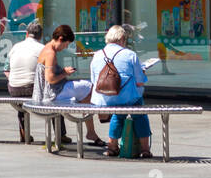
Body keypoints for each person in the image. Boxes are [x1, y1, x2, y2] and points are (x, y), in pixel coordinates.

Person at [35, 24, 104, 147]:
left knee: (85, 92)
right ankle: (101, 119)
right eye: (66, 44)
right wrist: (65, 73)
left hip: (48, 91)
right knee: (89, 86)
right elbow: (50, 78)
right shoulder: (50, 53)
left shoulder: (46, 48)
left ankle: (91, 131)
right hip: (52, 93)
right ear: (60, 39)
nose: (65, 47)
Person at [90, 24, 152, 158]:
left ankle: (112, 146)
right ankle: (145, 149)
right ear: (122, 38)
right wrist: (143, 72)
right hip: (125, 99)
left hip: (103, 99)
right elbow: (140, 81)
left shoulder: (97, 55)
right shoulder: (130, 55)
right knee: (139, 110)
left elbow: (94, 81)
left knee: (118, 113)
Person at [4, 21, 44, 142]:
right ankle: (60, 133)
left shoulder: (15, 47)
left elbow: (6, 70)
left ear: (27, 34)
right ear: (40, 36)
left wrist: (14, 79)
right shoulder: (42, 49)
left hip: (14, 88)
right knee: (55, 98)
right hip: (32, 88)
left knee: (21, 102)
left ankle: (23, 132)